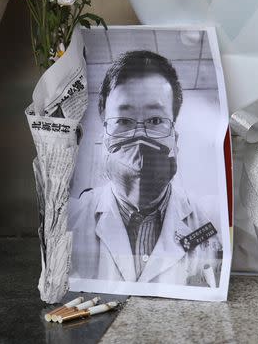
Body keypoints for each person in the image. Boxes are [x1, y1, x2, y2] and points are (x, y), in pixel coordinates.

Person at [69, 50, 222, 287]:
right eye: (124, 121)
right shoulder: (72, 220)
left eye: (155, 121)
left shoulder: (210, 223)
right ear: (104, 139)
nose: (139, 138)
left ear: (175, 139)